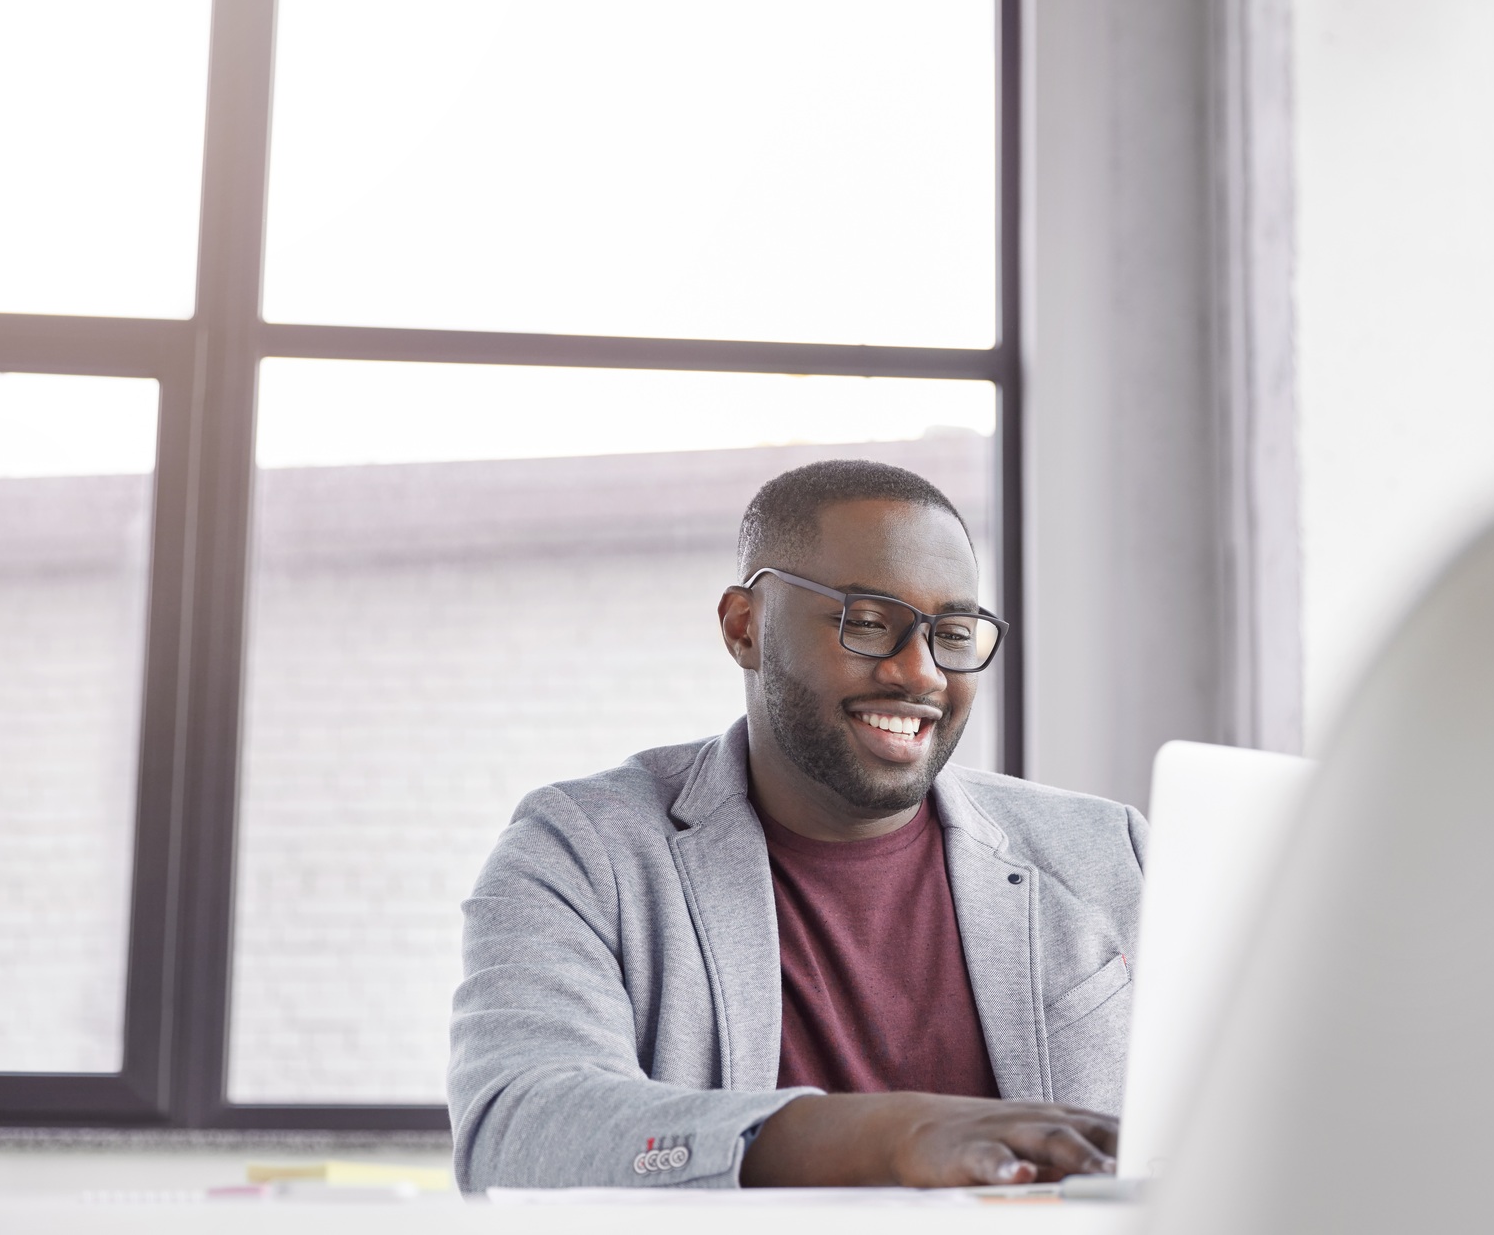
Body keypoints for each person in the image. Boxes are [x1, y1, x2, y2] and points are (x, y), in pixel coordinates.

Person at [448, 460, 1145, 1191]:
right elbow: (518, 1129)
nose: (924, 673)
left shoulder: (1109, 852)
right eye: (870, 622)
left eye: (953, 631)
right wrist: (894, 1135)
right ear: (744, 627)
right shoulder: (582, 851)